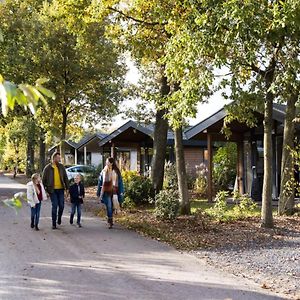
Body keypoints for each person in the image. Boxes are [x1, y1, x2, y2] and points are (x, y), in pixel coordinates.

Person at [42, 152, 69, 229]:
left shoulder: (61, 167)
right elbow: (43, 181)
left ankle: (59, 217)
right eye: (58, 158)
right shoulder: (47, 168)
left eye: (59, 158)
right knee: (54, 206)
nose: (59, 159)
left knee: (61, 205)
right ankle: (54, 223)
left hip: (60, 190)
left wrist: (67, 188)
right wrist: (45, 191)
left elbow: (65, 178)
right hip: (52, 190)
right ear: (53, 158)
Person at [97, 157, 124, 229]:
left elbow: (120, 182)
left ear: (111, 163)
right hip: (106, 191)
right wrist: (98, 192)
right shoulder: (103, 171)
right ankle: (110, 220)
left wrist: (121, 191)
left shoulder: (116, 171)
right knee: (109, 206)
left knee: (113, 206)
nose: (106, 163)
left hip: (115, 191)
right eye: (106, 162)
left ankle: (110, 216)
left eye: (107, 162)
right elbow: (100, 182)